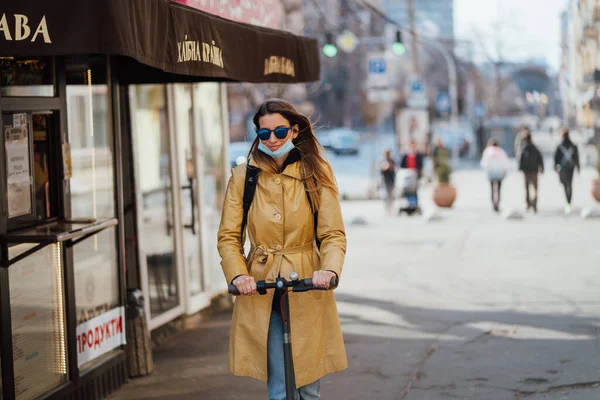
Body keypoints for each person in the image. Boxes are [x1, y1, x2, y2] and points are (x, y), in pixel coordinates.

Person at [217, 99, 347, 400]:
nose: (272, 139)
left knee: (309, 388)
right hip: (261, 288)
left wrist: (329, 269)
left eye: (279, 131)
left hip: (307, 284)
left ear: (294, 129)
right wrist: (238, 275)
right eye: (264, 134)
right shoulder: (242, 177)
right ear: (257, 136)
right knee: (278, 389)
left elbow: (332, 234)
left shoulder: (316, 173)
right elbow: (228, 237)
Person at [554, 128, 580, 214]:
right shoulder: (573, 145)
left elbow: (556, 158)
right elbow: (576, 157)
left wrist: (555, 167)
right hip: (571, 168)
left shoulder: (560, 146)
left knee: (565, 184)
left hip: (563, 169)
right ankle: (569, 201)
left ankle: (567, 200)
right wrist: (578, 167)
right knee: (570, 184)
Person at [480, 138, 509, 212]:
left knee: (492, 189)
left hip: (491, 173)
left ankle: (493, 203)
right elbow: (505, 162)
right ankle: (498, 203)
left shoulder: (488, 151)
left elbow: (484, 163)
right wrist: (505, 171)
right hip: (500, 173)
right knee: (499, 189)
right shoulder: (501, 151)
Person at [518, 132, 544, 213]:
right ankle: (534, 203)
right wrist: (542, 168)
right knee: (535, 189)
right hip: (534, 171)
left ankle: (528, 204)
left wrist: (520, 168)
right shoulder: (535, 148)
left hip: (526, 172)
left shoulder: (524, 149)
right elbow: (540, 159)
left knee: (527, 189)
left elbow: (521, 160)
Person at [380, 148, 396, 215]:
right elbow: (381, 171)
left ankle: (391, 208)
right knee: (386, 194)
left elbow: (394, 169)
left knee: (391, 194)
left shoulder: (392, 161)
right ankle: (387, 208)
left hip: (391, 179)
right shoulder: (383, 161)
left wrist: (390, 167)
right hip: (385, 180)